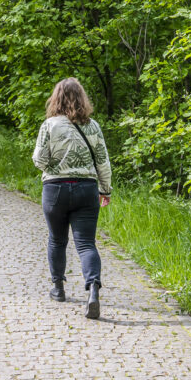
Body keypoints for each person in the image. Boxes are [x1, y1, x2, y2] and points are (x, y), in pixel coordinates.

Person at [32, 77, 113, 319]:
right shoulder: (93, 126)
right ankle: (93, 290)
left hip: (55, 189)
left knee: (57, 240)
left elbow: (39, 160)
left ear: (56, 98)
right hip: (87, 189)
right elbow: (103, 161)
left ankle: (58, 289)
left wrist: (56, 162)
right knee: (86, 243)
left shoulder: (49, 125)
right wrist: (105, 190)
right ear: (82, 99)